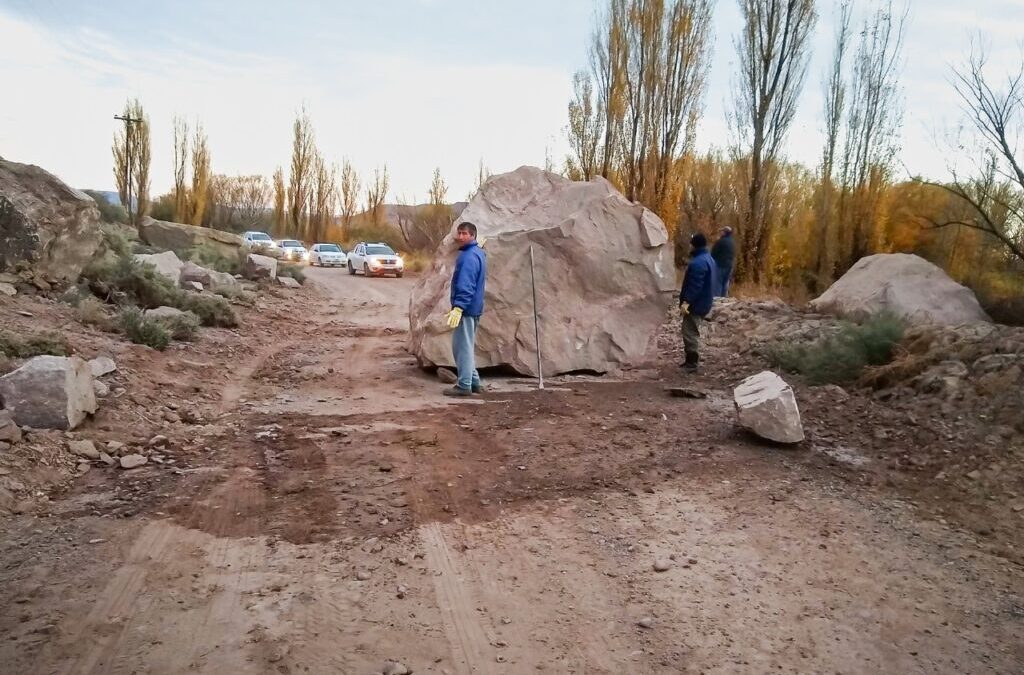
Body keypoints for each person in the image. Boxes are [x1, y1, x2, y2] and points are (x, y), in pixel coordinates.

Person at [443, 221, 487, 397]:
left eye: (465, 234)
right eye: (459, 233)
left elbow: (466, 284)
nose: (460, 237)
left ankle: (464, 385)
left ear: (473, 235)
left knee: (462, 348)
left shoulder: (468, 256)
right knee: (465, 345)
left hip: (467, 309)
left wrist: (459, 307)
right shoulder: (478, 253)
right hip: (474, 308)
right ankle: (474, 382)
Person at [678, 232, 718, 372]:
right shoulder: (708, 259)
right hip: (704, 301)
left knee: (689, 332)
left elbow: (695, 285)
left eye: (691, 244)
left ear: (694, 245)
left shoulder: (698, 262)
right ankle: (691, 361)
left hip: (696, 304)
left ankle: (692, 363)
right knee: (691, 330)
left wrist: (686, 301)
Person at [710, 226, 736, 297]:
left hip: (720, 265)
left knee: (718, 283)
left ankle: (717, 300)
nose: (720, 233)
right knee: (725, 283)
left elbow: (713, 253)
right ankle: (724, 300)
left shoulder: (721, 242)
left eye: (722, 231)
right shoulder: (732, 242)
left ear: (724, 233)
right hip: (730, 265)